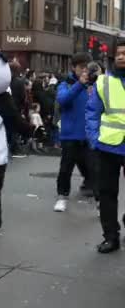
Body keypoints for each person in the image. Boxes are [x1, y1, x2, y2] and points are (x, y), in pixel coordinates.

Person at [86, 41, 125, 253]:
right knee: (107, 194)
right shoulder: (104, 83)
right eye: (118, 54)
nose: (120, 57)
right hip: (108, 146)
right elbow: (92, 112)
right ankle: (111, 236)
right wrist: (94, 138)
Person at [54, 53, 94, 212]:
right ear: (73, 68)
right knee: (65, 169)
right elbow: (63, 100)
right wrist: (79, 84)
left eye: (87, 67)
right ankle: (62, 197)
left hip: (88, 134)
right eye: (81, 67)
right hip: (70, 135)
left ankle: (99, 202)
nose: (84, 70)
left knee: (93, 169)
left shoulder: (94, 84)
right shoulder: (66, 84)